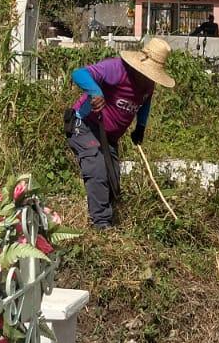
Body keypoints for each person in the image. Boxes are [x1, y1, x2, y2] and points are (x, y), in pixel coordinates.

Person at [65, 38, 174, 228]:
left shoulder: (148, 84)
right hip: (86, 125)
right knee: (97, 169)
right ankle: (101, 225)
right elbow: (79, 73)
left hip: (109, 137)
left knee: (112, 178)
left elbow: (144, 103)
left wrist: (140, 126)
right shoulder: (116, 68)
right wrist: (95, 92)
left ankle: (109, 217)